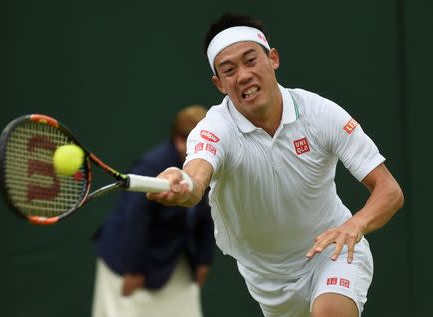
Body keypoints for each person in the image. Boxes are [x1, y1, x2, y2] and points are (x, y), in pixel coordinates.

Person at [146, 13, 404, 317]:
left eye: (251, 60)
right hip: (268, 280)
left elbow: (389, 190)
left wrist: (354, 225)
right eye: (229, 70)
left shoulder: (321, 114)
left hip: (331, 250)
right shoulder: (215, 128)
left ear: (273, 59)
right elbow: (196, 178)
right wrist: (183, 182)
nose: (243, 75)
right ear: (219, 84)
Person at [92, 105, 215, 317]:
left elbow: (208, 214)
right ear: (178, 140)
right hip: (128, 262)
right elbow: (136, 219)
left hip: (173, 258)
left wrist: (204, 260)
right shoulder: (152, 165)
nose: (202, 148)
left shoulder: (208, 164)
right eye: (195, 142)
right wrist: (133, 271)